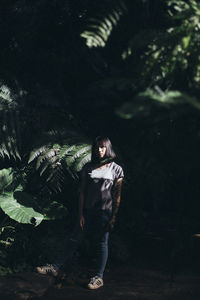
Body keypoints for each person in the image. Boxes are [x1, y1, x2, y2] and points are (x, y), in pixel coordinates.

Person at [36, 136, 124, 289]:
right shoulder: (88, 167)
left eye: (102, 147)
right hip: (88, 211)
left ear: (108, 148)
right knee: (75, 239)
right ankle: (55, 267)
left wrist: (113, 217)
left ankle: (99, 277)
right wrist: (80, 214)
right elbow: (82, 192)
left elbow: (117, 196)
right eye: (97, 147)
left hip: (104, 213)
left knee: (102, 243)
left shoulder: (116, 169)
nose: (99, 150)